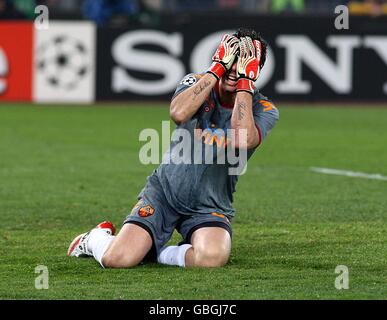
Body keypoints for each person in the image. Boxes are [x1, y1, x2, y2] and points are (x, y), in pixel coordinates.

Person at [67, 27, 279, 268]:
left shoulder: (264, 109)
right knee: (117, 259)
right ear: (222, 55)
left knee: (213, 258)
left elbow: (242, 138)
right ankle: (95, 238)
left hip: (210, 205)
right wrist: (215, 69)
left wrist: (244, 83)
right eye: (232, 60)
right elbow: (178, 113)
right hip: (164, 193)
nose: (235, 70)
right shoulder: (196, 82)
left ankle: (156, 253)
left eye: (244, 63)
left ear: (256, 70)